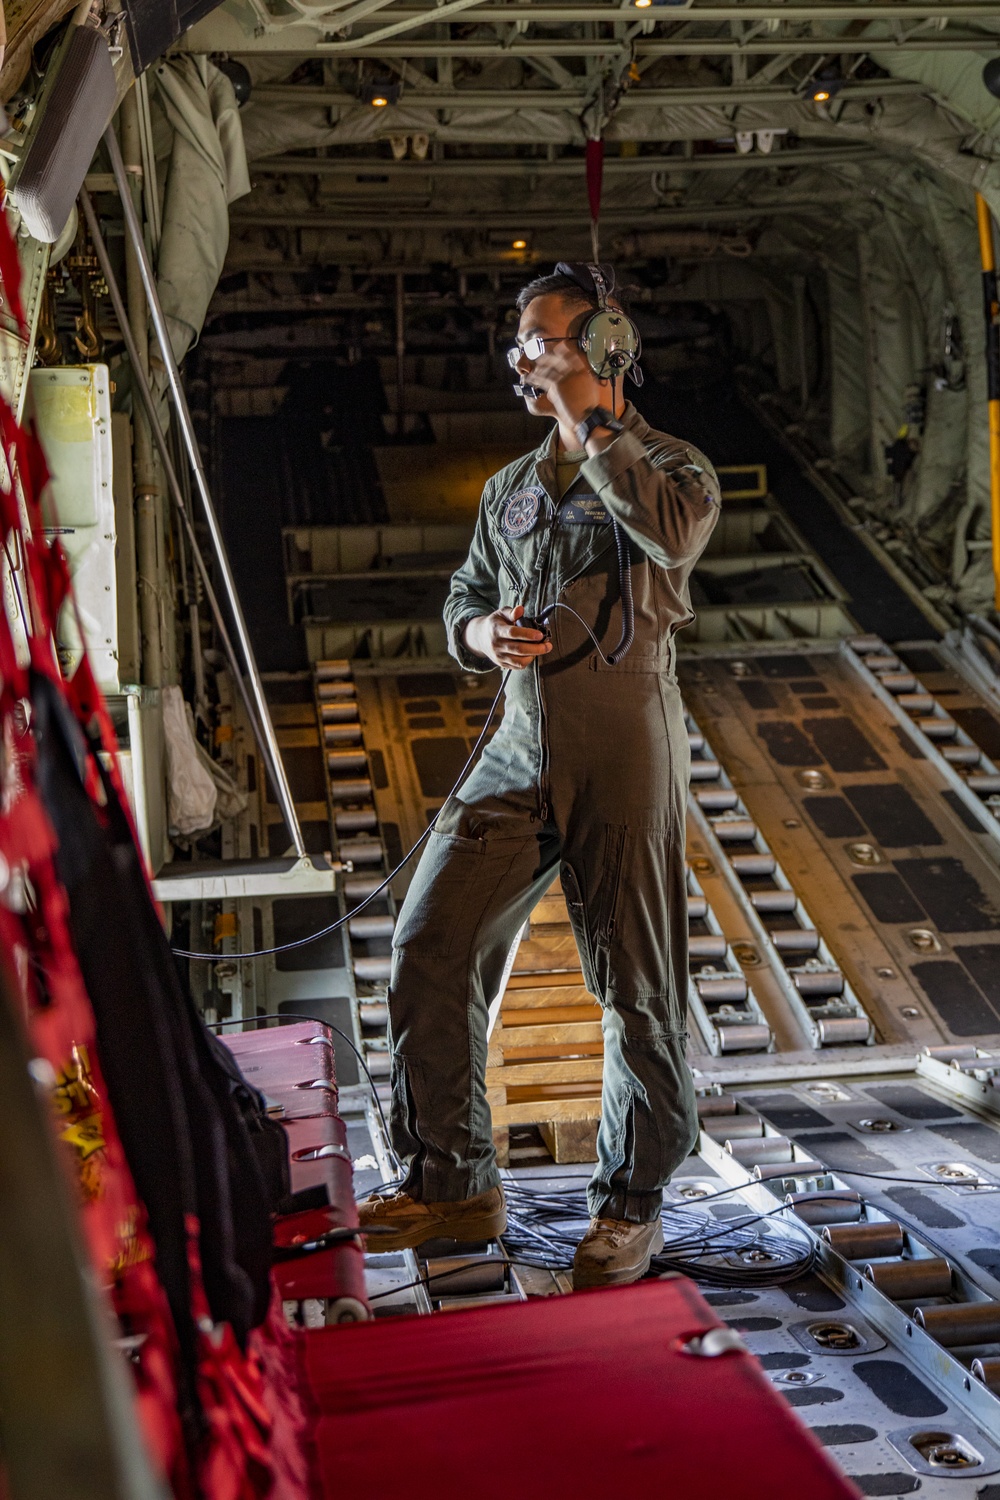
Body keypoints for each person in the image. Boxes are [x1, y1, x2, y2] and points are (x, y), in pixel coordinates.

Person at [358, 263, 721, 1288]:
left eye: (544, 341)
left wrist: (594, 425)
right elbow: (465, 592)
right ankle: (451, 1182)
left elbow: (672, 531)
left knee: (635, 985)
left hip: (622, 744)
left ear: (604, 350)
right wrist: (480, 630)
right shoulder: (511, 488)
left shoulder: (673, 465)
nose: (521, 357)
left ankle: (630, 1201)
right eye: (518, 342)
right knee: (430, 942)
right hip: (516, 744)